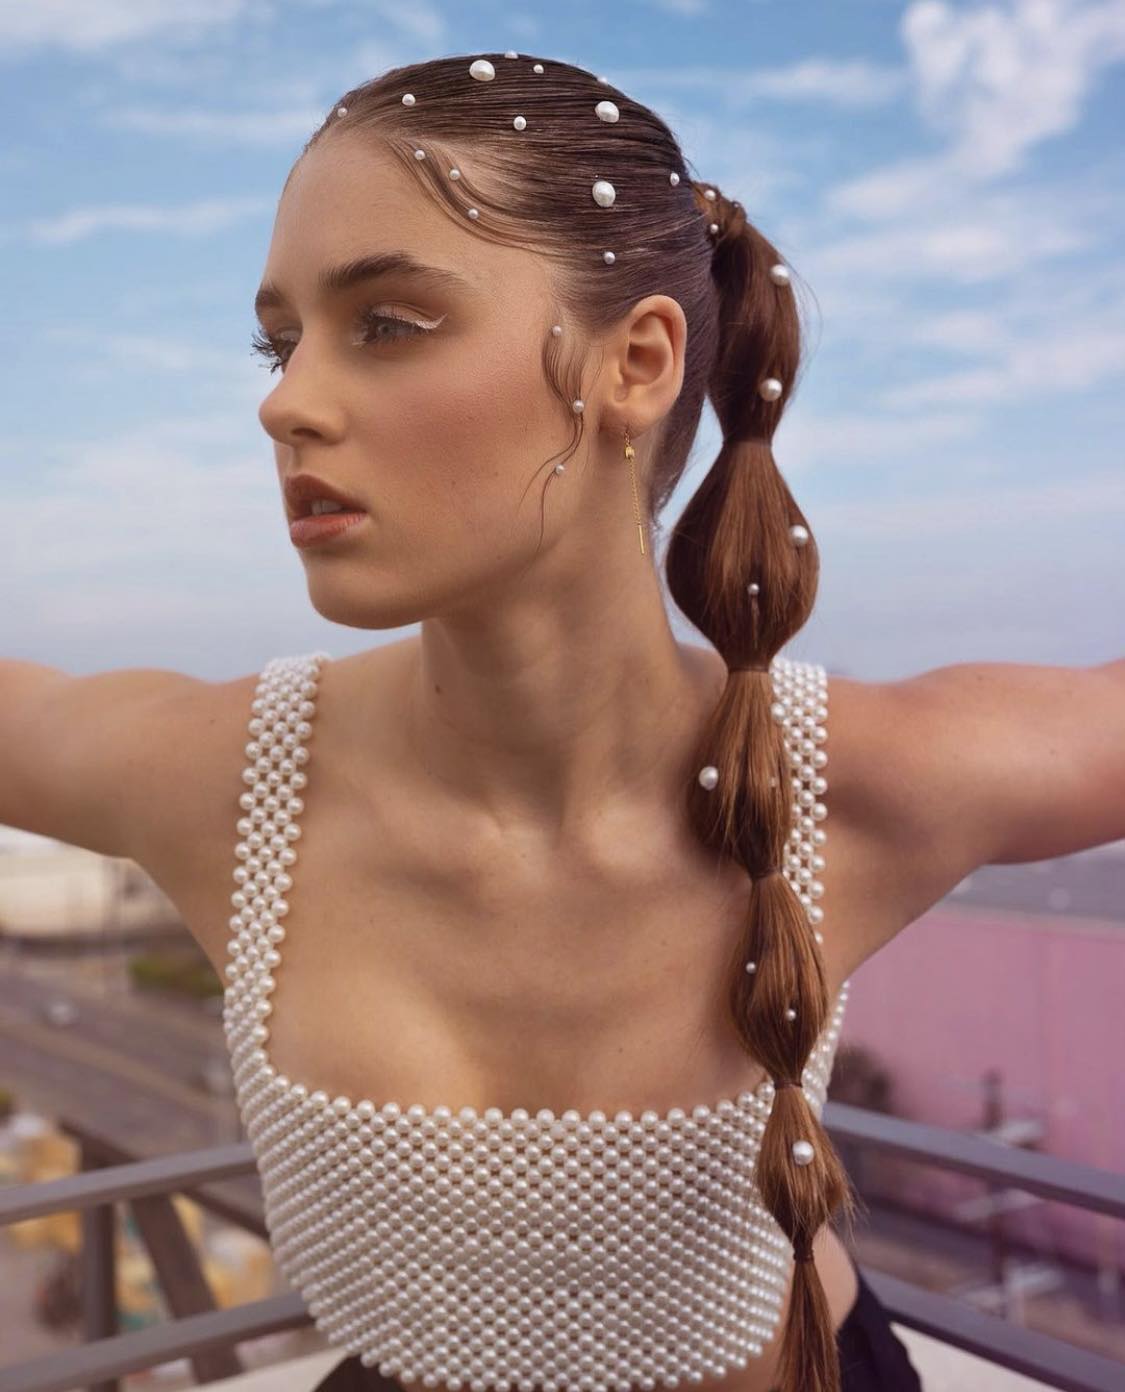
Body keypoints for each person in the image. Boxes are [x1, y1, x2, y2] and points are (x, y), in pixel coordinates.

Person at [2, 49, 1122, 1392]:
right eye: (280, 336)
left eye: (389, 324)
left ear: (635, 362)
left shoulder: (853, 783)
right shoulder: (226, 782)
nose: (284, 400)